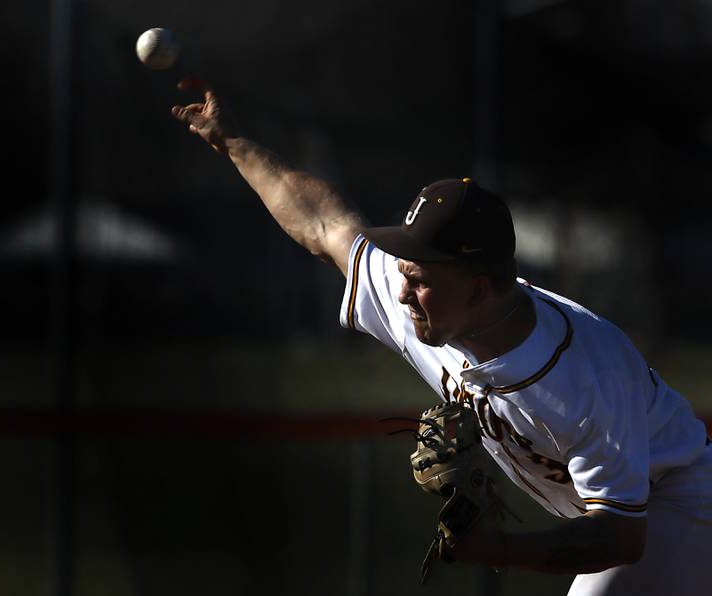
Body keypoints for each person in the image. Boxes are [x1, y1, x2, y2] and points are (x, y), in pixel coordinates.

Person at [170, 78, 712, 595]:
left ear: (479, 291)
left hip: (681, 504)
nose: (404, 293)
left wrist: (493, 547)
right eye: (405, 271)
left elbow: (620, 537)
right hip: (620, 513)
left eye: (420, 279)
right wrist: (234, 142)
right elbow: (323, 224)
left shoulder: (585, 375)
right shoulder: (432, 300)